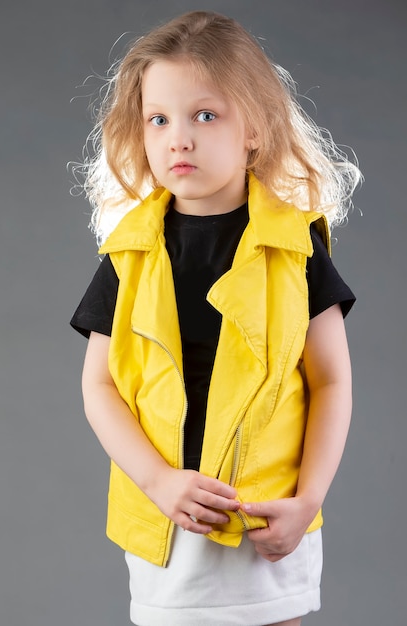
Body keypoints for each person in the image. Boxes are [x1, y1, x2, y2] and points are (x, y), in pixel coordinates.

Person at [70, 10, 361, 626]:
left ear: (253, 127)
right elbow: (99, 387)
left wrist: (308, 501)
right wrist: (158, 482)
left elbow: (331, 381)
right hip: (167, 518)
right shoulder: (128, 253)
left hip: (267, 519)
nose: (179, 137)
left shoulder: (297, 247)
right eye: (159, 119)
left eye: (205, 115)